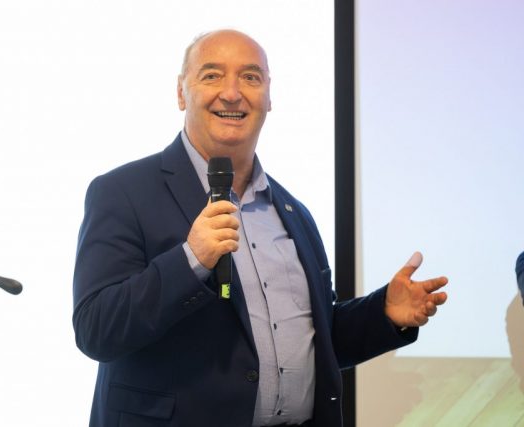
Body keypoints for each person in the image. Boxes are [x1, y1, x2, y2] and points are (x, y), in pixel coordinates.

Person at [72, 29, 448, 427]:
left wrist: (383, 314)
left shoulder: (293, 212)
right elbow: (96, 329)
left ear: (269, 97)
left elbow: (314, 341)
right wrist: (191, 260)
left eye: (250, 77)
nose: (232, 93)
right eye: (212, 75)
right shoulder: (122, 192)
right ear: (181, 92)